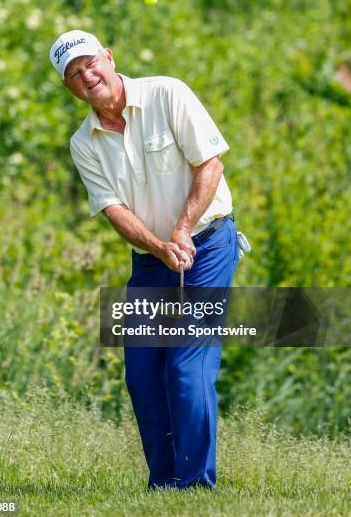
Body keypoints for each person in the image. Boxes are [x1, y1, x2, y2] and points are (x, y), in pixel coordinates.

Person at [50, 29, 239, 490]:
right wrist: (158, 246)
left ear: (109, 58)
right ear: (69, 88)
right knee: (142, 374)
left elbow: (210, 163)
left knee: (185, 365)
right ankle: (164, 484)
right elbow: (113, 208)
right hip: (152, 261)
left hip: (207, 244)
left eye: (91, 63)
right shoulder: (84, 142)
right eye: (75, 74)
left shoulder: (167, 93)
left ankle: (195, 484)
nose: (87, 75)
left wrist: (180, 230)